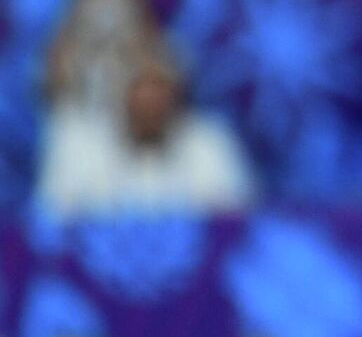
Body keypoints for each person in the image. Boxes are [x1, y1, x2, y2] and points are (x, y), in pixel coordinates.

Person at [36, 45, 256, 217]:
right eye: (140, 94)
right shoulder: (80, 147)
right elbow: (51, 221)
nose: (150, 106)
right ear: (120, 98)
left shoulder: (209, 142)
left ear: (176, 98)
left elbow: (237, 217)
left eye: (158, 94)